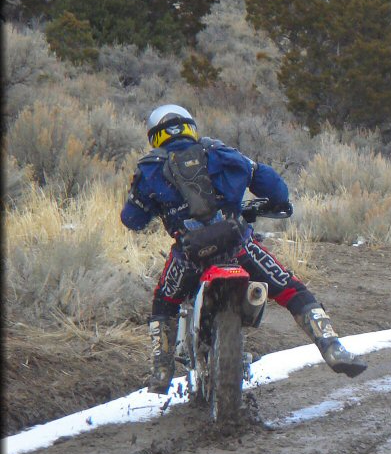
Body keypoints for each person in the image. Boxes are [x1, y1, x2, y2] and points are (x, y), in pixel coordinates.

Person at [121, 104, 367, 393]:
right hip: (238, 247)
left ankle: (162, 370)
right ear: (191, 127)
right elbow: (275, 187)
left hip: (189, 255)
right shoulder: (221, 153)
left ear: (154, 135)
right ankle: (332, 347)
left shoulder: (149, 168)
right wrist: (273, 201)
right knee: (291, 288)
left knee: (163, 303)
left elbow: (131, 219)